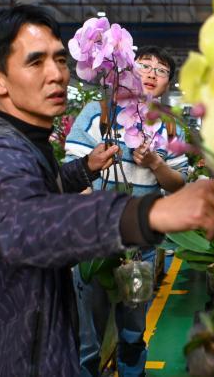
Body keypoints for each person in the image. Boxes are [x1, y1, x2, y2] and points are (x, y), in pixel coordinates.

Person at [0, 5, 214, 376]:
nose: (56, 74)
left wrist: (82, 170)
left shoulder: (23, 143)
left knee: (125, 327)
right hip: (15, 354)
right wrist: (147, 213)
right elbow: (27, 224)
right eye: (35, 62)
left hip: (34, 335)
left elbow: (35, 189)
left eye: (60, 60)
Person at [65, 46, 186, 377]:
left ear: (168, 83)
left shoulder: (169, 126)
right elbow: (72, 168)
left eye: (160, 71)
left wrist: (155, 163)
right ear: (129, 71)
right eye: (144, 66)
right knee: (87, 341)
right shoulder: (98, 111)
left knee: (133, 334)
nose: (150, 74)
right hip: (93, 243)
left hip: (139, 249)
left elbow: (178, 184)